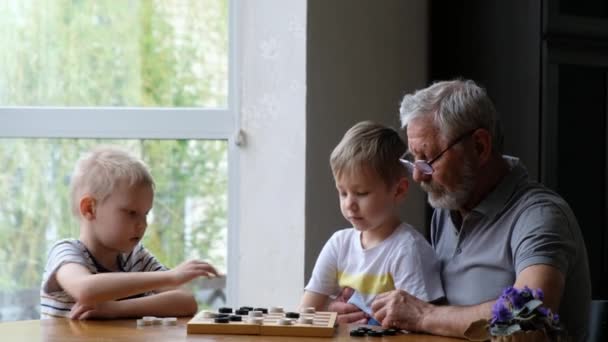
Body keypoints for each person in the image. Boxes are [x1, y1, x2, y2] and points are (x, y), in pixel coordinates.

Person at [352, 79, 589, 340]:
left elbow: (529, 316)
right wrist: (363, 308)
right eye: (413, 159)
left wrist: (423, 315)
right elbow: (440, 310)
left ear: (479, 146)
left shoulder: (540, 216)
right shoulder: (448, 207)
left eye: (428, 159)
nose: (419, 176)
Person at [40, 146, 218, 319]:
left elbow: (186, 302)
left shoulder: (135, 257)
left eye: (145, 214)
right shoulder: (65, 253)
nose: (143, 224)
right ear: (90, 208)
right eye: (131, 213)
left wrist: (115, 309)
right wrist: (170, 276)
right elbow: (86, 290)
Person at [300, 121, 444, 322]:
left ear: (399, 190)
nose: (349, 204)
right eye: (342, 193)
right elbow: (306, 312)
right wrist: (330, 315)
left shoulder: (408, 250)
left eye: (361, 193)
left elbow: (423, 323)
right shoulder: (339, 244)